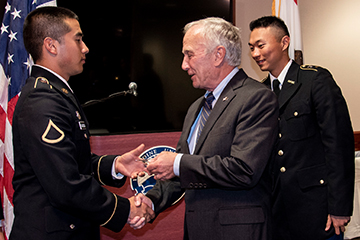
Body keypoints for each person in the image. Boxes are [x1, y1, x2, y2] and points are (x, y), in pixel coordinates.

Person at [10, 6, 153, 240]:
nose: (85, 48)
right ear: (51, 45)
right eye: (78, 39)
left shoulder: (56, 93)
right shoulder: (41, 101)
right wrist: (125, 209)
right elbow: (66, 185)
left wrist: (115, 164)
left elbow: (74, 160)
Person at [133, 17, 279, 239]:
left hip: (238, 233)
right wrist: (152, 200)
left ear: (218, 55)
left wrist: (178, 162)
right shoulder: (196, 108)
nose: (183, 64)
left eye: (189, 54)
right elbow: (180, 171)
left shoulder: (256, 98)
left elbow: (243, 170)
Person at [248, 16, 355, 240]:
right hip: (277, 212)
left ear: (284, 42)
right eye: (251, 48)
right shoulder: (259, 93)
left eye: (261, 45)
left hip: (317, 210)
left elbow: (338, 146)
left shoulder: (315, 80)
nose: (255, 54)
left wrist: (340, 207)